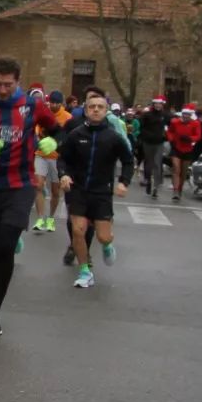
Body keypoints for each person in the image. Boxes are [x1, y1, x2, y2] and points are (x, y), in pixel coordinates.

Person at [0, 56, 60, 336]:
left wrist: (54, 141)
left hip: (21, 185)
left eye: (8, 84)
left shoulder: (33, 105)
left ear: (18, 82)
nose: (2, 89)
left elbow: (60, 131)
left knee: (6, 245)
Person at [56, 92, 135, 289]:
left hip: (101, 191)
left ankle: (107, 245)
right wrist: (64, 175)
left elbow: (128, 161)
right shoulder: (76, 135)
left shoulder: (113, 137)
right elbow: (63, 159)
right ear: (85, 110)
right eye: (92, 107)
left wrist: (123, 182)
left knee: (103, 236)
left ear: (106, 111)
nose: (96, 110)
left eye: (100, 107)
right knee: (78, 230)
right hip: (77, 190)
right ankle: (85, 271)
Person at [32, 90, 72, 234]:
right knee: (38, 185)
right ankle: (40, 218)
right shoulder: (44, 112)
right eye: (52, 102)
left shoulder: (67, 117)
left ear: (61, 103)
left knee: (55, 190)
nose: (53, 105)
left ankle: (51, 218)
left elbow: (68, 136)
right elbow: (36, 128)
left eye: (56, 103)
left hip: (57, 157)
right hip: (41, 154)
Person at [167, 104, 202, 203]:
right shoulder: (175, 122)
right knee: (176, 169)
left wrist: (190, 139)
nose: (185, 116)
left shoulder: (195, 124)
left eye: (187, 114)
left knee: (183, 173)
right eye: (184, 114)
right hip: (176, 148)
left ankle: (180, 189)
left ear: (190, 115)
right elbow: (170, 132)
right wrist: (171, 140)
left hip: (188, 149)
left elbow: (198, 136)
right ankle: (175, 191)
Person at [137, 96, 170, 197]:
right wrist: (147, 135)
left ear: (162, 105)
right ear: (153, 104)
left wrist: (166, 136)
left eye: (160, 104)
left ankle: (155, 187)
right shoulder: (147, 115)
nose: (158, 105)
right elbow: (141, 128)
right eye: (156, 104)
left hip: (159, 143)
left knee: (157, 164)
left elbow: (171, 126)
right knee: (148, 163)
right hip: (148, 142)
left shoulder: (165, 115)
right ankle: (148, 181)